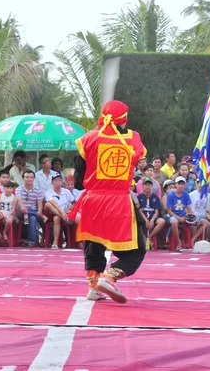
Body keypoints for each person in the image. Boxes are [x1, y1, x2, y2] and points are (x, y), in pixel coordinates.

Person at [72, 100, 147, 303]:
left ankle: (94, 286)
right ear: (122, 120)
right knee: (137, 249)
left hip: (93, 200)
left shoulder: (87, 140)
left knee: (94, 245)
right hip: (119, 201)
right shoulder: (133, 139)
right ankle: (110, 276)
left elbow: (79, 177)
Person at [15, 170, 47, 246]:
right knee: (26, 212)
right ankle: (32, 241)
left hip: (33, 212)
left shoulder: (38, 190)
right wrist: (23, 208)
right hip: (21, 212)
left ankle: (31, 242)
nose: (29, 179)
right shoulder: (19, 189)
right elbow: (19, 201)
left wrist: (39, 211)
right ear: (23, 178)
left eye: (31, 177)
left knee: (32, 218)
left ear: (33, 179)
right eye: (27, 177)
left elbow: (39, 204)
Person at [44, 172, 75, 249]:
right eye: (56, 180)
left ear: (62, 182)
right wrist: (62, 214)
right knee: (47, 204)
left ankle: (55, 242)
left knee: (56, 218)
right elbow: (54, 204)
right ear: (52, 182)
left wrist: (67, 210)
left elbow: (74, 203)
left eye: (59, 180)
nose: (58, 182)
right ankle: (63, 217)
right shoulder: (49, 192)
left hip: (62, 213)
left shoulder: (66, 191)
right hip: (52, 213)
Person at [166, 176, 193, 252]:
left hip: (183, 215)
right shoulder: (171, 195)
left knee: (193, 223)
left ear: (185, 185)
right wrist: (179, 218)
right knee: (174, 222)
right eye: (179, 184)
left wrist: (192, 217)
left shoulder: (186, 195)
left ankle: (187, 241)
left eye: (182, 184)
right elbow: (169, 211)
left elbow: (189, 209)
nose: (180, 186)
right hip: (172, 215)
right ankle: (178, 242)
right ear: (176, 185)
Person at [137, 177, 166, 249]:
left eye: (149, 185)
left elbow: (156, 211)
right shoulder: (139, 197)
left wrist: (152, 220)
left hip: (153, 216)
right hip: (143, 217)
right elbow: (139, 210)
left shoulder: (155, 197)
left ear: (152, 186)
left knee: (162, 221)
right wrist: (146, 220)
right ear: (142, 186)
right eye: (146, 185)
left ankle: (149, 237)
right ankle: (144, 239)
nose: (147, 186)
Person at [0, 181, 22, 246]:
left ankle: (4, 232)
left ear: (13, 189)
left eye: (11, 188)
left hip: (9, 212)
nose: (9, 190)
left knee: (9, 221)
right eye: (7, 188)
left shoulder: (14, 197)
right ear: (4, 188)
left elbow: (13, 208)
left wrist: (8, 214)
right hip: (1, 211)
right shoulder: (0, 196)